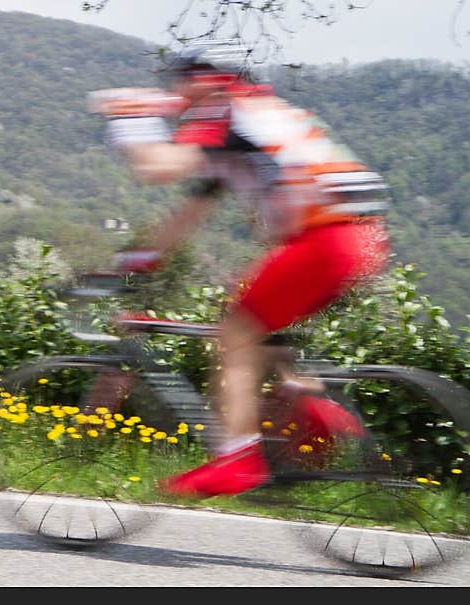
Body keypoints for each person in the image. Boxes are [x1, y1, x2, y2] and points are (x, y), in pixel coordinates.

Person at [90, 40, 390, 498]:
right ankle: (312, 410)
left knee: (235, 334)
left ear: (205, 78)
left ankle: (238, 458)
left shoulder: (229, 113)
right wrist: (136, 261)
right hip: (359, 237)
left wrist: (131, 116)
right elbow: (189, 212)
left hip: (327, 239)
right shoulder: (254, 118)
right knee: (257, 319)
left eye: (180, 82)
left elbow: (156, 168)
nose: (177, 93)